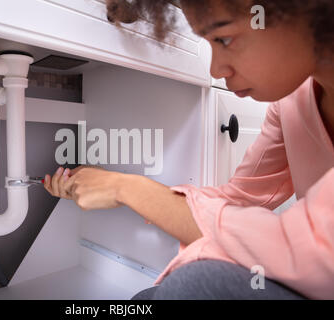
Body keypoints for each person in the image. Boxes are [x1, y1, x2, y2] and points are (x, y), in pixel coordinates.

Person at [43, 0, 334, 299]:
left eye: (224, 39)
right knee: (146, 299)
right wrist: (122, 188)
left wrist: (127, 188)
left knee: (193, 284)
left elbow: (312, 252)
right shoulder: (291, 104)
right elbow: (240, 199)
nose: (216, 69)